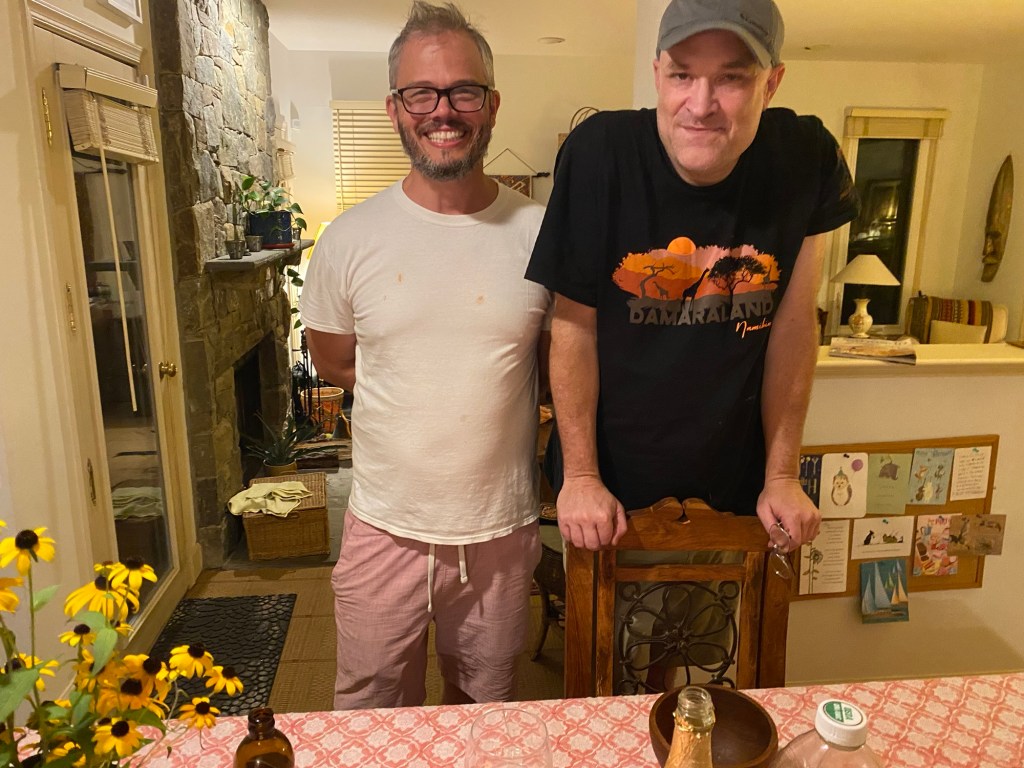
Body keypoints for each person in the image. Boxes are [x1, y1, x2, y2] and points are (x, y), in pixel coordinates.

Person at [526, 0, 859, 554]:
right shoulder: (599, 155)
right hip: (608, 492)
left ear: (772, 83)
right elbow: (574, 325)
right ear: (658, 73)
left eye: (732, 78)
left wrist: (782, 474)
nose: (701, 106)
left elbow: (795, 323)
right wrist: (581, 477)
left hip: (738, 492)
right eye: (683, 75)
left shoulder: (806, 159)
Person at [300, 1, 549, 710]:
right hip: (384, 527)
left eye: (463, 91)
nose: (443, 110)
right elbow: (336, 363)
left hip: (500, 530)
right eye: (421, 93)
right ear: (394, 108)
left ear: (492, 104)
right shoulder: (348, 239)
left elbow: (558, 367)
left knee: (484, 709)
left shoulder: (541, 233)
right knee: (371, 714)